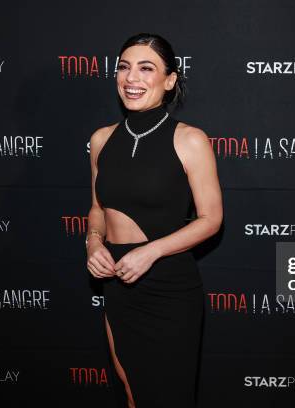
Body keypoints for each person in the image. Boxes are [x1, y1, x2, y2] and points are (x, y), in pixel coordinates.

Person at [85, 32, 223, 408]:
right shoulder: (101, 139)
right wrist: (94, 242)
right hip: (117, 283)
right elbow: (97, 209)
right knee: (130, 391)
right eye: (124, 68)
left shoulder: (190, 140)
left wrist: (151, 252)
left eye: (147, 68)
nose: (132, 78)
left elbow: (211, 220)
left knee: (166, 397)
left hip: (167, 287)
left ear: (170, 80)